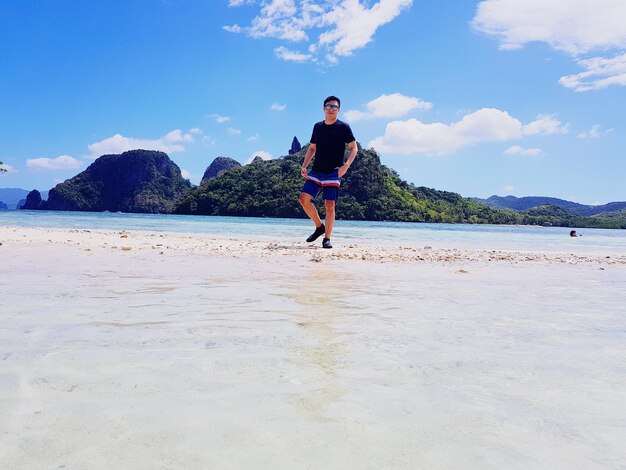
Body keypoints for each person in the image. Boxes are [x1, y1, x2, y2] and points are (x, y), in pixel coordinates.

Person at [299, 96, 358, 249]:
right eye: (328, 106)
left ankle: (327, 238)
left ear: (338, 110)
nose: (331, 109)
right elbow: (312, 148)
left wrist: (346, 165)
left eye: (334, 107)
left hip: (333, 172)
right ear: (324, 108)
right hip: (316, 170)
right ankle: (319, 227)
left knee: (329, 205)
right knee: (304, 199)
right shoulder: (317, 127)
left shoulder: (343, 127)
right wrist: (304, 166)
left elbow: (354, 148)